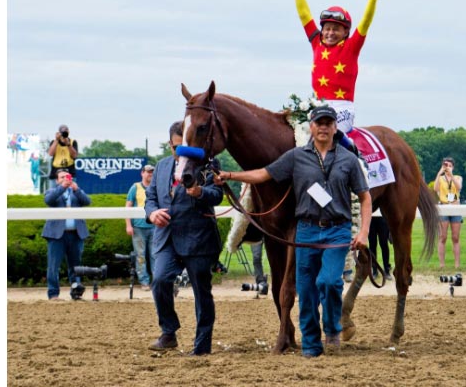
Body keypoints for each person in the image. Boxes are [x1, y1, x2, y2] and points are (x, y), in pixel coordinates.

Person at [215, 105, 372, 358]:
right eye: (318, 123)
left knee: (329, 282)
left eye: (327, 123)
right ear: (311, 126)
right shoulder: (296, 157)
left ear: (334, 128)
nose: (323, 127)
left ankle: (332, 327)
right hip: (307, 232)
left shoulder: (348, 159)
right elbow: (263, 175)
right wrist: (230, 175)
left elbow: (365, 198)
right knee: (307, 290)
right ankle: (310, 344)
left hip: (337, 231)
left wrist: (363, 232)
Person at [145, 121, 224, 356]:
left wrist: (200, 193)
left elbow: (217, 195)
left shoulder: (209, 164)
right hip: (167, 237)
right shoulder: (160, 167)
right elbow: (151, 198)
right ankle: (168, 332)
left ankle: (202, 345)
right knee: (160, 280)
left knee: (202, 292)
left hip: (197, 238)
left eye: (186, 148)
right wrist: (152, 213)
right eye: (177, 148)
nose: (181, 154)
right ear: (170, 144)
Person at [294, 0, 383, 153]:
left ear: (345, 33)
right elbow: (304, 15)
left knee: (329, 133)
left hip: (343, 110)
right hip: (317, 108)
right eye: (326, 28)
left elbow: (365, 22)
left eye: (336, 29)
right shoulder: (316, 43)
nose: (330, 33)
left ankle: (354, 155)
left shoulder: (351, 47)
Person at [41, 168, 91, 300]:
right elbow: (49, 200)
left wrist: (77, 189)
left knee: (76, 266)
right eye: (62, 177)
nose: (65, 179)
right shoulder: (52, 191)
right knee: (53, 266)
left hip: (76, 234)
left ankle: (76, 292)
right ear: (57, 180)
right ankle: (53, 294)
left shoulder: (76, 192)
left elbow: (87, 201)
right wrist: (62, 188)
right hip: (56, 235)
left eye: (67, 177)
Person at [125, 164, 156, 290]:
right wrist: (128, 225)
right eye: (148, 172)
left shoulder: (156, 187)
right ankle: (144, 282)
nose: (150, 174)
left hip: (155, 227)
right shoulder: (135, 187)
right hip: (138, 227)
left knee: (155, 255)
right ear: (142, 173)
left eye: (152, 172)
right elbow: (128, 207)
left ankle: (157, 281)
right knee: (140, 256)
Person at [434, 157, 463, 269]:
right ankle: (442, 264)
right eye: (446, 166)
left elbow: (459, 187)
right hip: (444, 206)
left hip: (455, 207)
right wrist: (440, 172)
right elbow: (436, 188)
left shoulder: (457, 177)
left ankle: (457, 264)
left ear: (453, 167)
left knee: (455, 237)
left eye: (450, 166)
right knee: (442, 237)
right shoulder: (440, 178)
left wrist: (451, 175)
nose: (448, 168)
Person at [368, 216, 392, 280]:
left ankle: (387, 270)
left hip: (382, 218)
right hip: (370, 218)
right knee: (372, 245)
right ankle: (374, 271)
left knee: (384, 245)